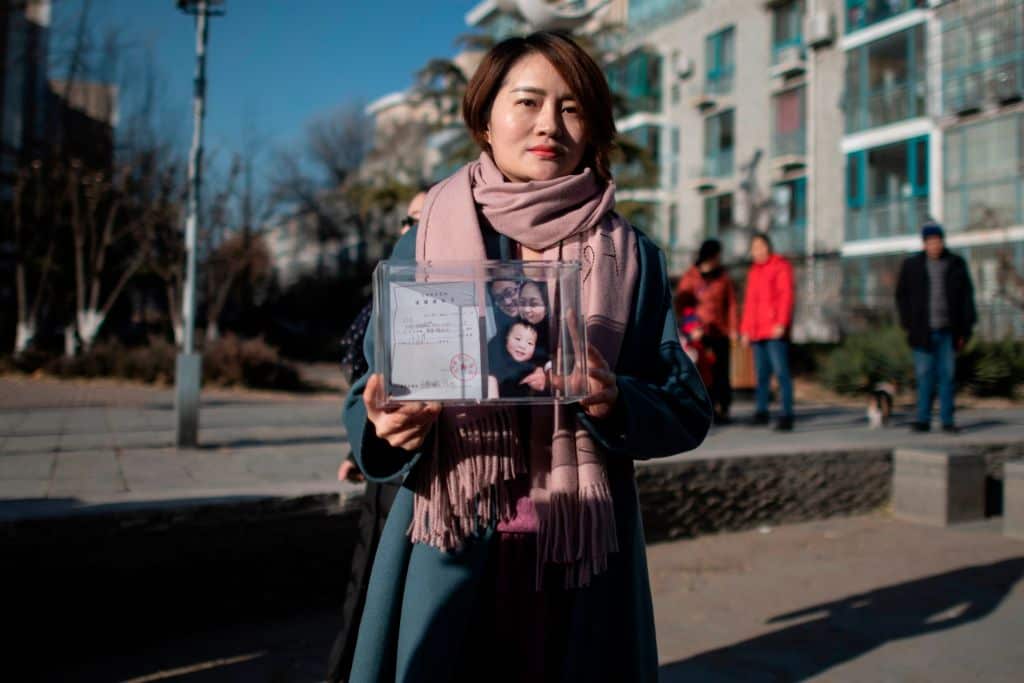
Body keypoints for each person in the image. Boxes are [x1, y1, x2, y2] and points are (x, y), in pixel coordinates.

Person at [342, 32, 711, 682]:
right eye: (529, 101)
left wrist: (613, 398)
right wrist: (386, 427)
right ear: (485, 117)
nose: (549, 124)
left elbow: (686, 407)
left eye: (571, 107)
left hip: (582, 559)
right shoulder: (425, 240)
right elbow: (369, 396)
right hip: (448, 550)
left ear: (594, 123)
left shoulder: (633, 257)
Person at [326, 190, 427, 683]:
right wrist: (360, 444)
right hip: (387, 458)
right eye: (408, 221)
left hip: (415, 468)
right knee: (365, 584)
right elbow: (367, 382)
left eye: (424, 220)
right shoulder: (387, 292)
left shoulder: (437, 286)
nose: (413, 231)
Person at [895, 222, 977, 433]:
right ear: (924, 244)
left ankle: (947, 420)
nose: (935, 245)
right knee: (924, 375)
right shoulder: (912, 266)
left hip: (949, 330)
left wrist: (965, 329)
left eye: (938, 241)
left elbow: (967, 297)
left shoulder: (956, 264)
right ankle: (923, 418)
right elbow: (901, 296)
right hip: (922, 331)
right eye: (931, 242)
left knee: (947, 376)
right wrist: (908, 323)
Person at [675, 238, 738, 424]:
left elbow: (732, 304)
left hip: (719, 331)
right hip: (698, 334)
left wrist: (734, 328)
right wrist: (693, 327)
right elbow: (682, 306)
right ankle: (705, 408)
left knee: (722, 372)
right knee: (703, 373)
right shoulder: (691, 277)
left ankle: (723, 408)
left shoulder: (723, 277)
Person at [739, 232, 796, 431]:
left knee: (781, 373)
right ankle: (761, 411)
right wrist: (745, 329)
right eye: (754, 248)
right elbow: (749, 303)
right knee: (761, 374)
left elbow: (785, 296)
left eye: (760, 247)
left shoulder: (780, 266)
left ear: (768, 247)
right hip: (757, 331)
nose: (757, 251)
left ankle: (786, 414)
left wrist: (781, 322)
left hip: (774, 330)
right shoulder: (754, 271)